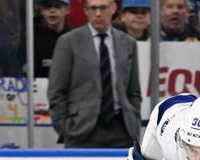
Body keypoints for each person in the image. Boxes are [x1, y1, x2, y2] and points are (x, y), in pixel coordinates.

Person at [48, 0, 141, 148]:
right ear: (86, 10)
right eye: (93, 8)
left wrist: (133, 119)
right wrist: (65, 128)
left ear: (113, 8)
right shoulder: (69, 41)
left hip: (122, 129)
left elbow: (133, 90)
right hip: (82, 129)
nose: (98, 14)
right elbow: (57, 90)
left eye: (103, 8)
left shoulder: (128, 43)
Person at [27, 0, 71, 78]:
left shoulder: (75, 38)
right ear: (42, 11)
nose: (52, 11)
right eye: (47, 6)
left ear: (67, 10)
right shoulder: (32, 40)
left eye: (57, 6)